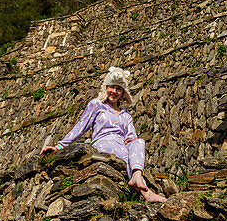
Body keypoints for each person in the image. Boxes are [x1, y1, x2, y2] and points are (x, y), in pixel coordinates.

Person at [40, 66, 166, 203]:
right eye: (111, 87)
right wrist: (59, 146)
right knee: (126, 155)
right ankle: (146, 193)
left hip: (122, 144)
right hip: (104, 142)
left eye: (119, 89)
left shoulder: (126, 115)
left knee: (139, 142)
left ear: (123, 92)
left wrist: (131, 141)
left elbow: (131, 136)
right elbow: (80, 127)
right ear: (106, 87)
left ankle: (136, 177)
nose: (114, 92)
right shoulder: (96, 105)